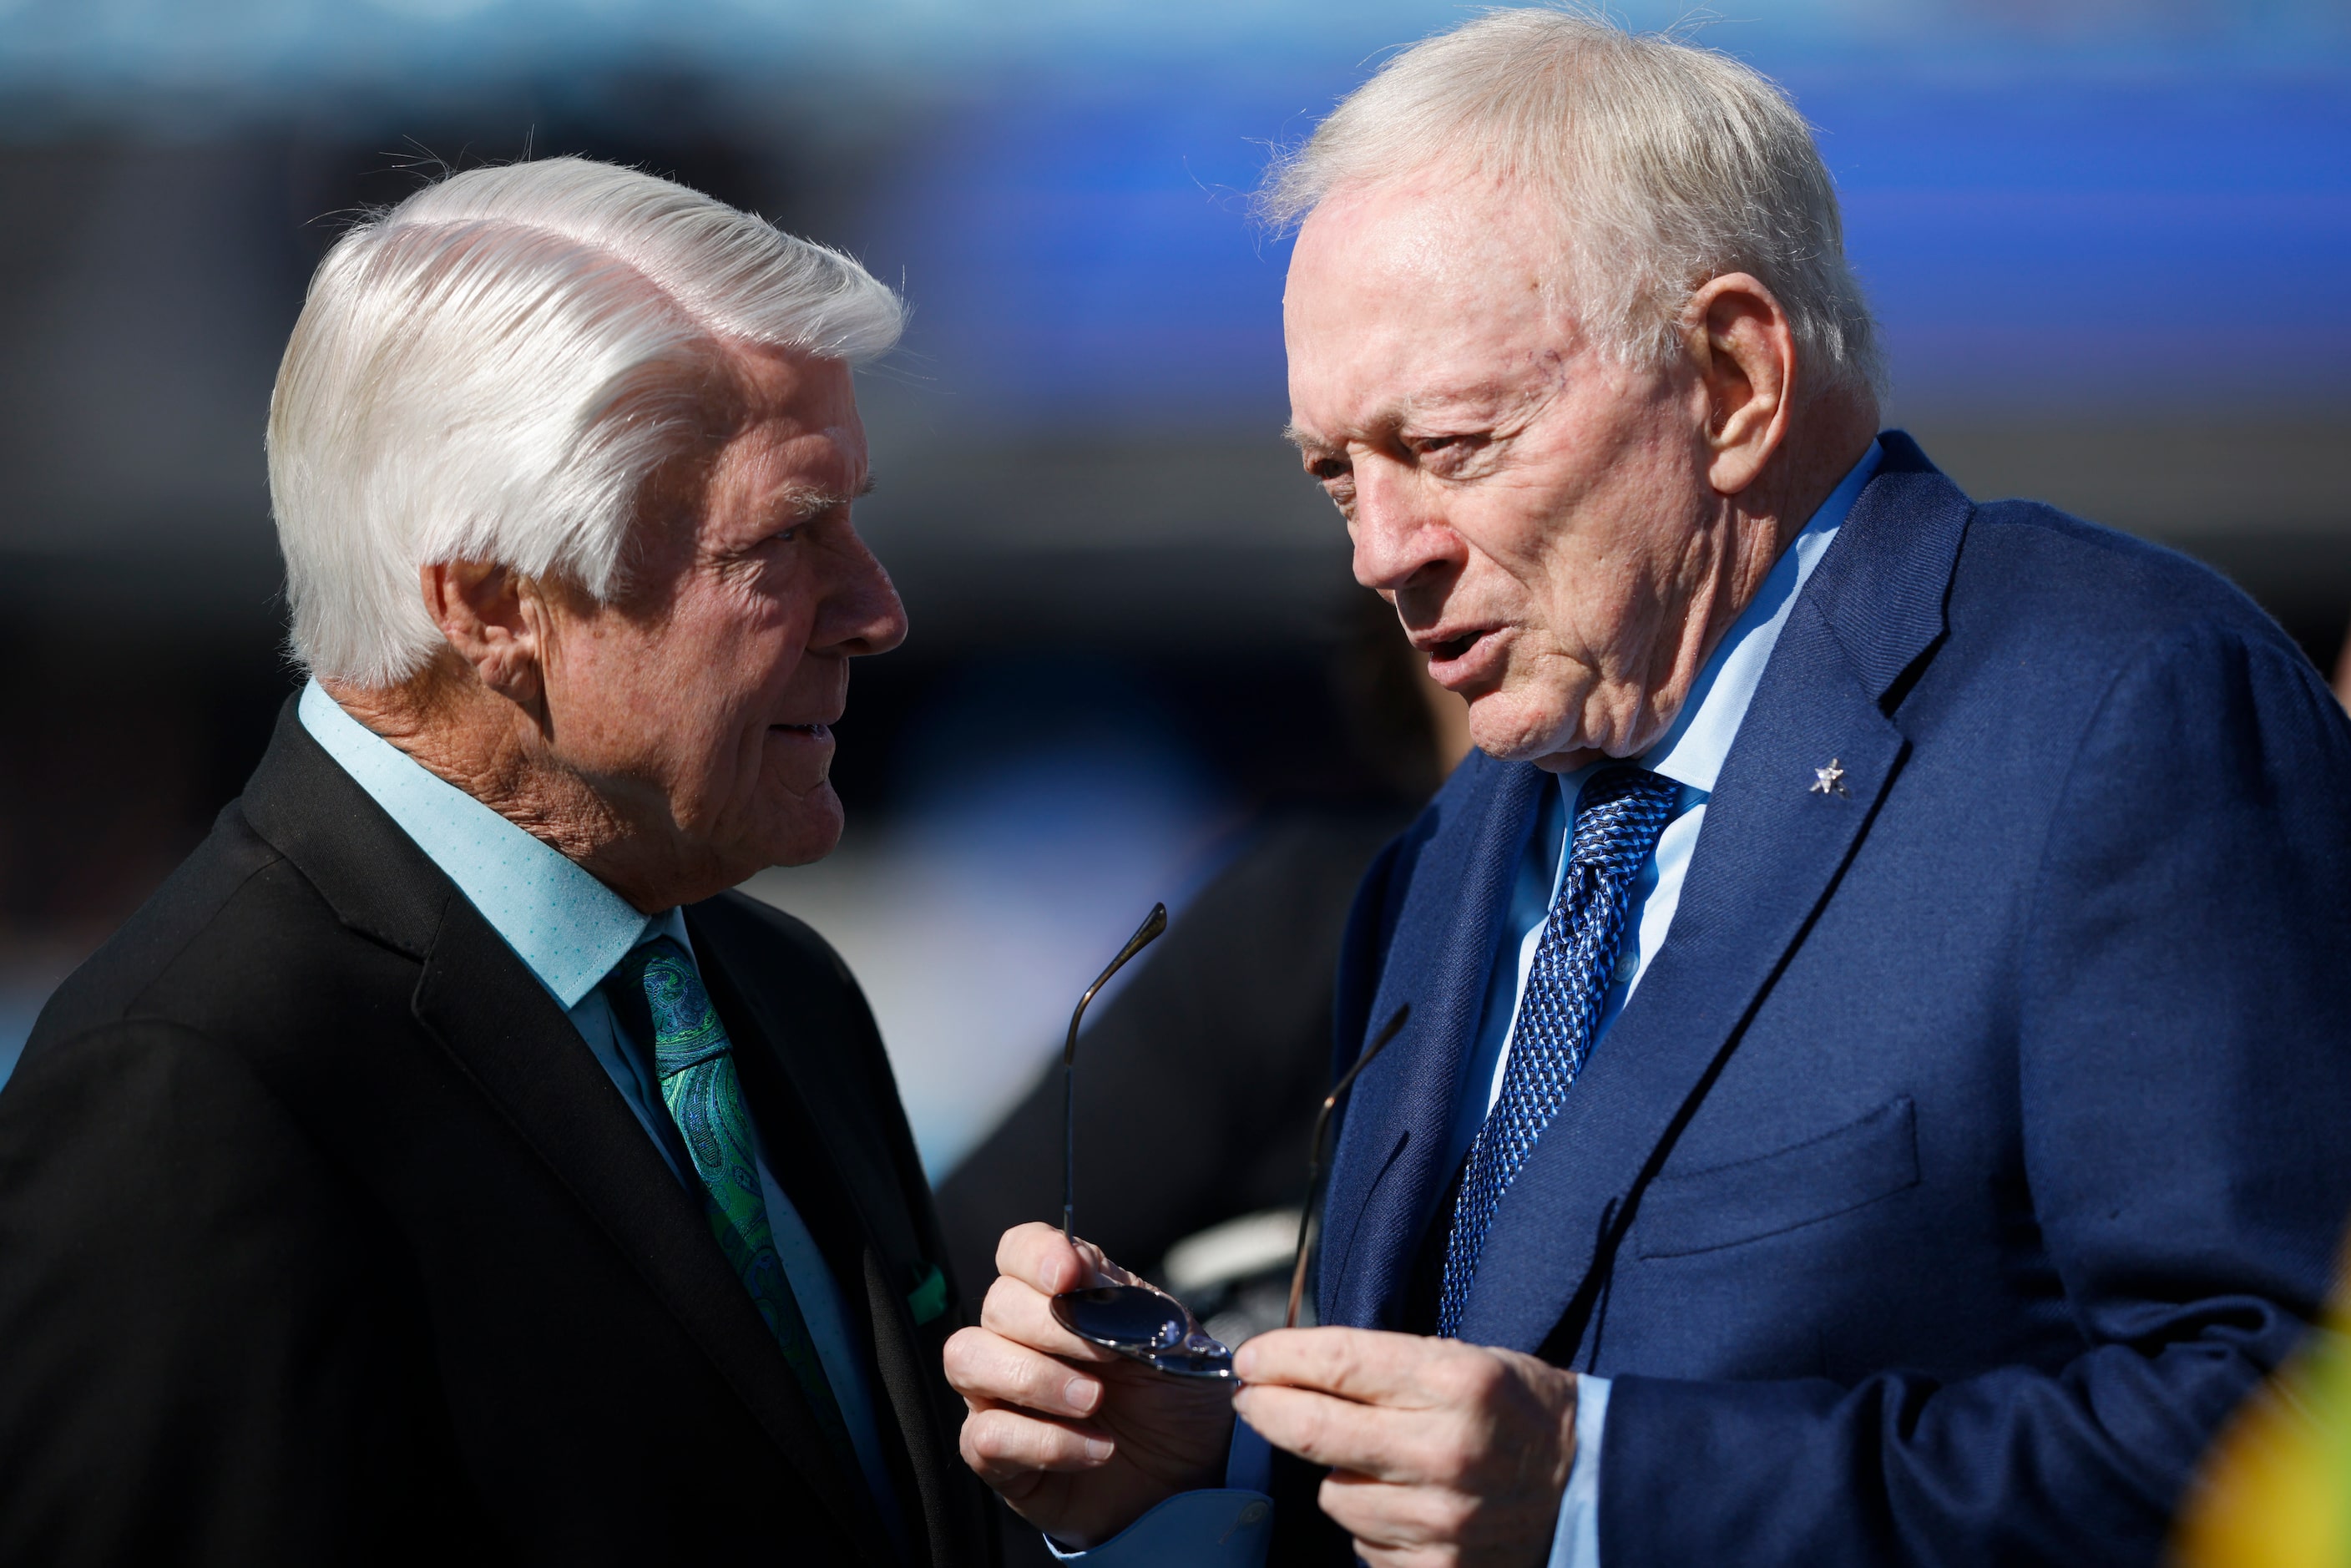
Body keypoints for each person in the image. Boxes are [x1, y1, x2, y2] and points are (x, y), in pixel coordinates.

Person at [943, 13, 2351, 1568]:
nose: (1380, 553)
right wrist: (1219, 1435)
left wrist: (1613, 1485)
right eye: (1339, 473)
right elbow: (1470, 1426)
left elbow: (2276, 1438)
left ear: (1736, 377)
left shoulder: (2115, 707)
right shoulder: (1465, 837)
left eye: (1455, 444)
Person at [0, 159, 993, 1565]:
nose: (877, 609)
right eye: (786, 537)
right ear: (488, 602)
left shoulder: (775, 990)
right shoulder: (191, 1090)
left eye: (858, 517)